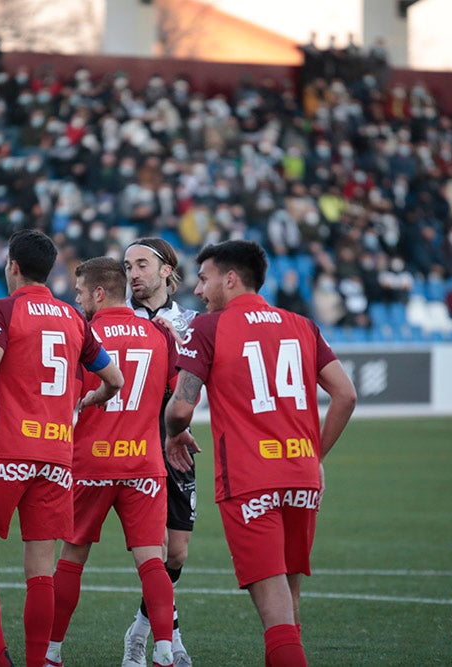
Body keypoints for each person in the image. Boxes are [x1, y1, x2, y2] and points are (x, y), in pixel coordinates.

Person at [164, 240, 356, 667]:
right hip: (302, 478)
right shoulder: (302, 325)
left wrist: (173, 433)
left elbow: (180, 407)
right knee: (287, 607)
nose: (197, 290)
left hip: (251, 480)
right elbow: (345, 394)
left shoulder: (209, 328)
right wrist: (315, 456)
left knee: (275, 616)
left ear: (230, 279)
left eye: (203, 278)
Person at [0, 230, 123, 667]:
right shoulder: (72, 317)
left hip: (8, 449)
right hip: (57, 459)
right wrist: (91, 400)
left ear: (12, 267)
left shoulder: (4, 309)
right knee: (40, 572)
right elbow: (115, 378)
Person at [46, 257, 182, 667]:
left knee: (71, 557)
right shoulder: (159, 334)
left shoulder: (82, 334)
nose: (78, 299)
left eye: (81, 292)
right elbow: (177, 398)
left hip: (90, 462)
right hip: (144, 464)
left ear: (99, 293)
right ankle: (163, 652)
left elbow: (65, 398)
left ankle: (51, 653)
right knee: (151, 560)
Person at [121, 237, 198, 667]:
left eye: (142, 265)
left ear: (166, 270)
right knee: (155, 546)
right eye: (128, 266)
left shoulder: (190, 321)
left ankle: (140, 627)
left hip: (175, 440)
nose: (133, 273)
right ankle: (174, 640)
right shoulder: (116, 316)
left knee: (177, 553)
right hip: (133, 444)